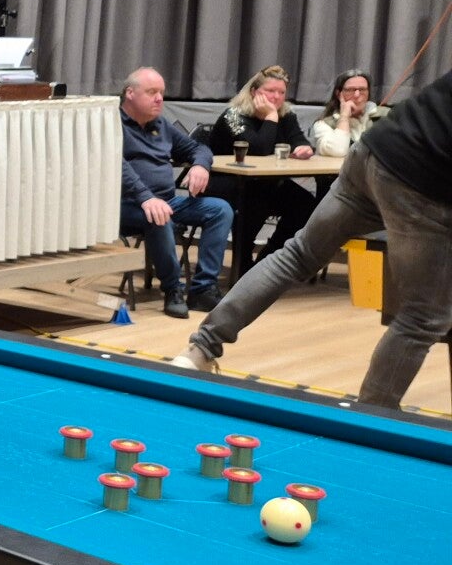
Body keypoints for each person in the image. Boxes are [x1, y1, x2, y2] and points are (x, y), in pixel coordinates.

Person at [175, 68, 452, 407]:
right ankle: (369, 420)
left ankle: (200, 348)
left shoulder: (289, 117)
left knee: (298, 253)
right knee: (423, 316)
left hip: (373, 153)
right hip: (421, 183)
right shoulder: (235, 115)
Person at [118, 68, 233, 319]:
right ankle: (172, 290)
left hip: (166, 201)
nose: (159, 98)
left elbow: (199, 148)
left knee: (220, 209)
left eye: (161, 92)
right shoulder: (112, 124)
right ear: (130, 93)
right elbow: (116, 164)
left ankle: (203, 289)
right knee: (159, 217)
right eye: (152, 92)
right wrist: (146, 197)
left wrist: (200, 165)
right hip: (126, 205)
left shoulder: (161, 125)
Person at [204, 65, 317, 258]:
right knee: (257, 201)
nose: (276, 97)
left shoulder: (286, 115)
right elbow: (259, 150)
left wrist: (303, 148)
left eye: (281, 92)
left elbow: (298, 139)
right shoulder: (233, 116)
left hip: (264, 182)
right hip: (227, 182)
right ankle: (242, 262)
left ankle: (269, 257)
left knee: (305, 203)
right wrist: (271, 117)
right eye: (270, 91)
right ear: (254, 91)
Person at [308, 68, 387, 157]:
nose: (357, 95)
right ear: (338, 94)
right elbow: (337, 151)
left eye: (362, 89)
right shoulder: (324, 124)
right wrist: (344, 116)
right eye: (350, 90)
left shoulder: (386, 116)